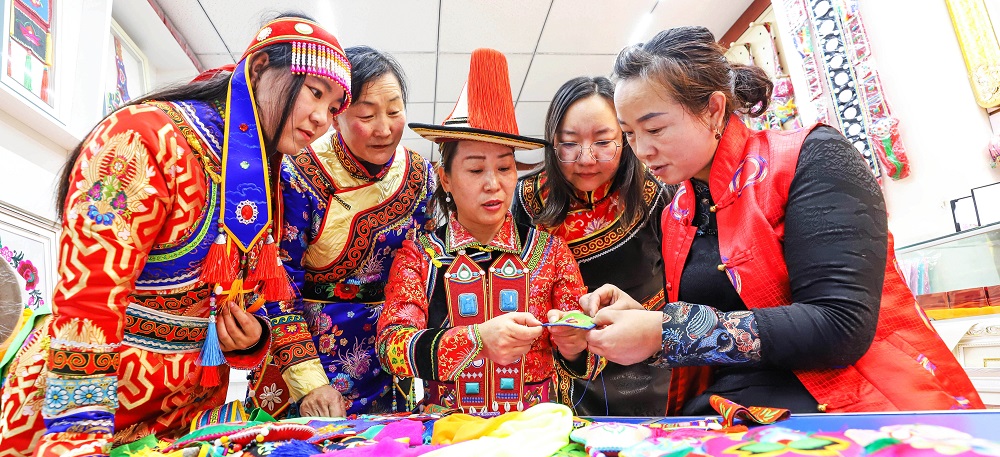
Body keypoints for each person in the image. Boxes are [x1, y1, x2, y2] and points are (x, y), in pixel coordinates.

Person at [0, 15, 350, 457]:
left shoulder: (268, 180)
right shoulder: (143, 138)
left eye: (334, 108)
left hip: (172, 427)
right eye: (314, 92)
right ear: (261, 68)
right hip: (81, 412)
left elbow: (241, 305)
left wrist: (251, 340)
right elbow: (88, 297)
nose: (321, 119)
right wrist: (73, 435)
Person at [584, 26, 984, 415]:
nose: (642, 150)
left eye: (654, 128)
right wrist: (645, 321)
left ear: (714, 109)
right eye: (629, 134)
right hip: (729, 409)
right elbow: (713, 323)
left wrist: (668, 330)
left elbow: (840, 325)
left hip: (841, 405)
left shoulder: (810, 157)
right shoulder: (679, 212)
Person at [377, 48, 603, 416]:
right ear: (446, 179)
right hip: (448, 431)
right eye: (475, 169)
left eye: (504, 168)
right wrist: (476, 339)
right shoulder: (420, 256)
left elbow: (591, 357)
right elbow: (391, 348)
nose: (493, 184)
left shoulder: (550, 253)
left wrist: (577, 344)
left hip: (532, 430)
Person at [248, 45, 433, 418]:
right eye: (366, 115)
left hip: (389, 354)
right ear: (336, 116)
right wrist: (308, 381)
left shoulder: (419, 175)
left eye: (394, 111)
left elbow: (424, 270)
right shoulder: (297, 174)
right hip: (312, 354)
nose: (384, 129)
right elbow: (277, 286)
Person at [513, 76, 671, 416]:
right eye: (570, 143)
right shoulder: (526, 202)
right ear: (553, 143)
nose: (586, 159)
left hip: (651, 362)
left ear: (624, 138)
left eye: (603, 142)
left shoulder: (657, 190)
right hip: (566, 369)